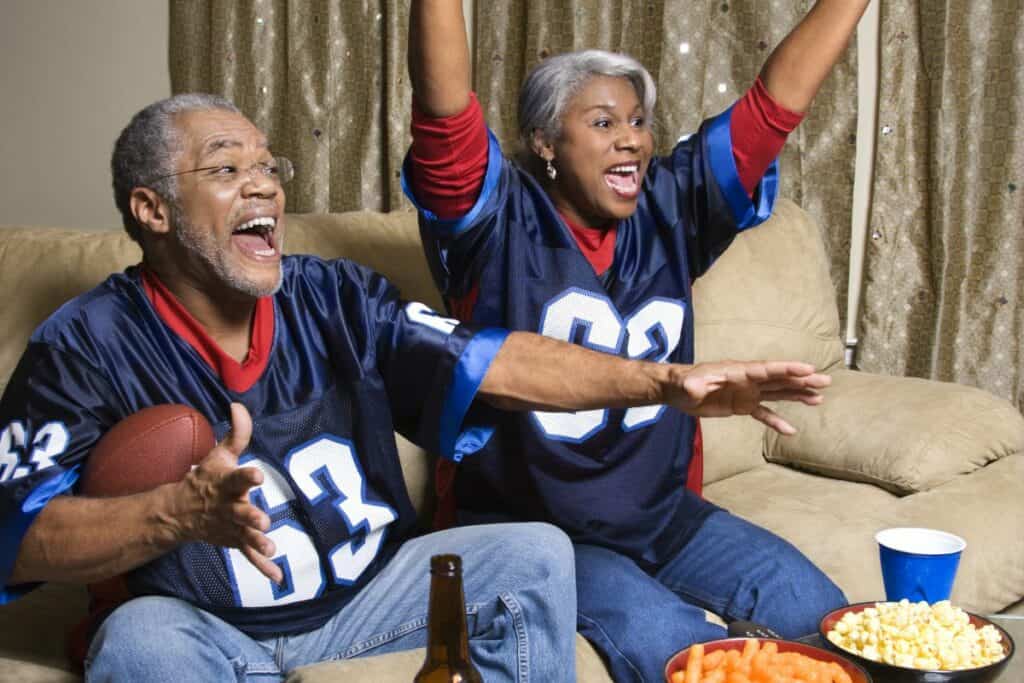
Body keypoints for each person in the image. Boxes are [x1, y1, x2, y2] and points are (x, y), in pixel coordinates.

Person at [0, 95, 832, 682]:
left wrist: (667, 380)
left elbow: (499, 359)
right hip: (205, 621)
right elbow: (13, 533)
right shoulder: (85, 343)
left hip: (367, 595)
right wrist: (172, 513)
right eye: (226, 168)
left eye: (268, 165)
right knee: (138, 642)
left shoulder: (333, 297)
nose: (264, 185)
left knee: (534, 552)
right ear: (151, 209)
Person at [404, 1, 870, 680]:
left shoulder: (673, 205)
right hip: (537, 536)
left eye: (638, 121)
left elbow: (775, 106)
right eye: (601, 122)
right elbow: (444, 109)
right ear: (544, 142)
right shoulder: (493, 221)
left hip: (664, 517)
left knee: (827, 620)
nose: (631, 139)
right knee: (680, 651)